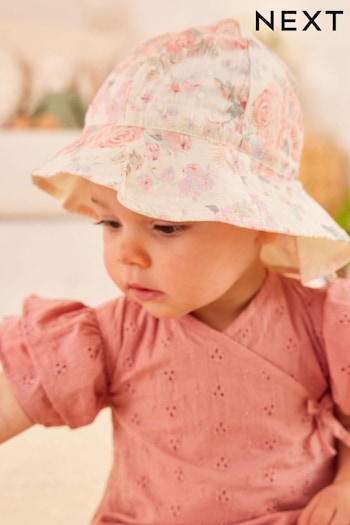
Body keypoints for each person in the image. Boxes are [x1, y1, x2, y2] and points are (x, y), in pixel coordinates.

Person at [1, 18, 350, 525]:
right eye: (110, 221)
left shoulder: (325, 324)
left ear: (262, 223)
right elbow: (21, 388)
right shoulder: (112, 335)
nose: (128, 254)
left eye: (165, 227)